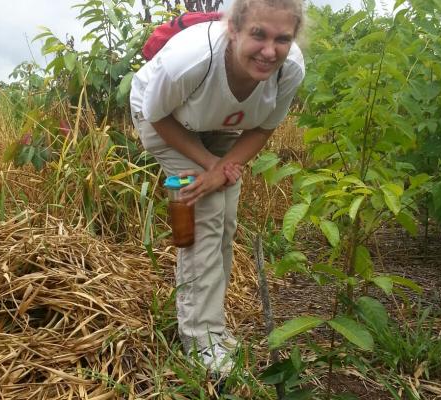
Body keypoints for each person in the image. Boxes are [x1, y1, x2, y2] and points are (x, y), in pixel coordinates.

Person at [130, 0, 305, 375]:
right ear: (234, 29)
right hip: (164, 120)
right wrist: (212, 168)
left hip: (223, 125)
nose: (269, 51)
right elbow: (156, 115)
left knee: (225, 218)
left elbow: (263, 127)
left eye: (282, 39)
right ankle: (201, 343)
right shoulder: (191, 61)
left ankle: (214, 327)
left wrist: (224, 170)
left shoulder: (289, 70)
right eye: (258, 34)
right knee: (207, 216)